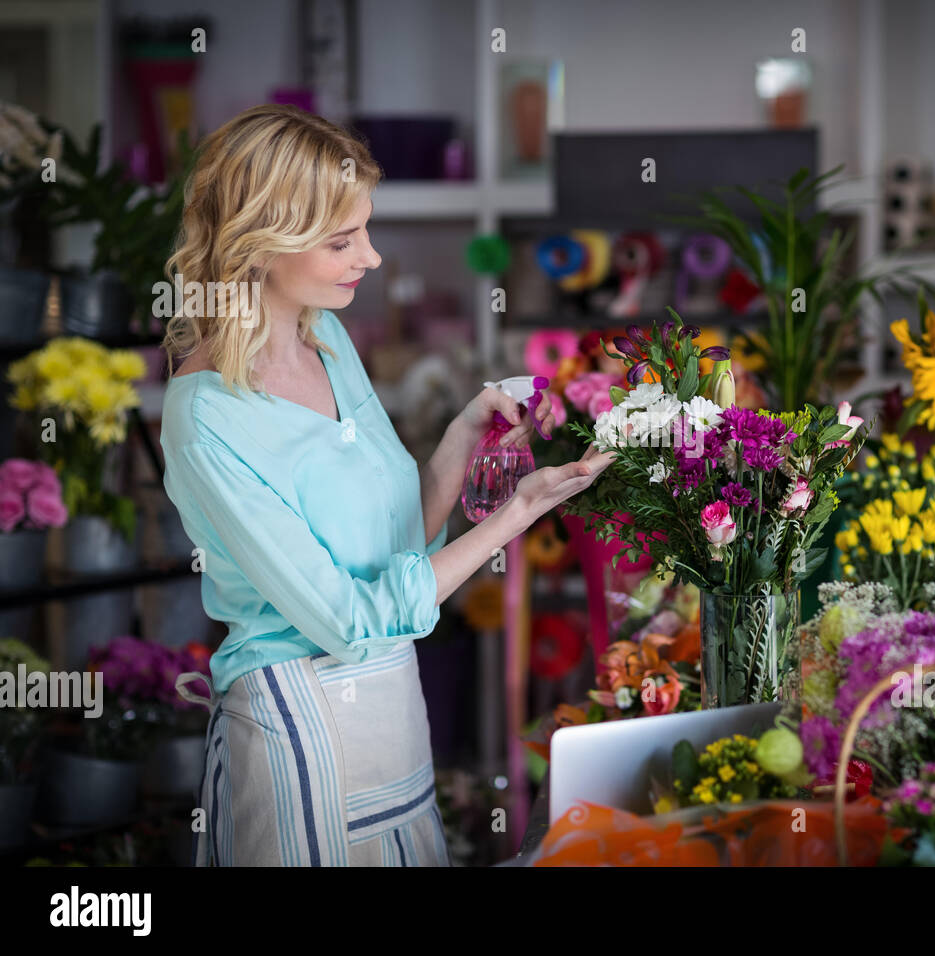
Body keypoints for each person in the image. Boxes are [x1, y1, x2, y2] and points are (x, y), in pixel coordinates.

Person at [159, 104, 614, 866]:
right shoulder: (205, 414)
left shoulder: (326, 338)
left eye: (365, 229)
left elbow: (395, 548)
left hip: (393, 712)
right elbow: (345, 617)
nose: (369, 257)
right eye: (343, 240)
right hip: (296, 727)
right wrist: (515, 516)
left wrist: (460, 441)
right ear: (260, 242)